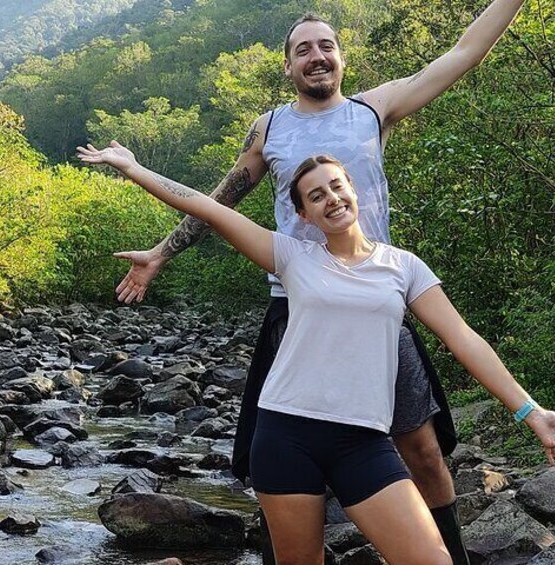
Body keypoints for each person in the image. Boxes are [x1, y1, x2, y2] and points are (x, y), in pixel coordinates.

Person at [111, 2, 527, 562]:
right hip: (297, 305)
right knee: (284, 447)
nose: (316, 56)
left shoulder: (373, 109)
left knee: (422, 448)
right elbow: (222, 201)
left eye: (325, 45)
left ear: (341, 56)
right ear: (288, 66)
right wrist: (162, 252)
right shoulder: (271, 127)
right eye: (302, 49)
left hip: (378, 298)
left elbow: (463, 52)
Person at [77, 143, 555, 564]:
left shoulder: (402, 267)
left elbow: (464, 338)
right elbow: (207, 208)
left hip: (363, 441)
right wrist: (132, 167)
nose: (331, 198)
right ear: (304, 214)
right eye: (315, 195)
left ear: (353, 190)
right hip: (285, 433)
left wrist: (529, 411)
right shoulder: (293, 256)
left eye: (337, 186)